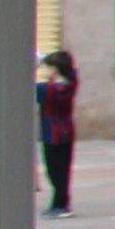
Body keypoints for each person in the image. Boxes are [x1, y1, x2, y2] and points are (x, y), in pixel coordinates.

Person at [35, 44, 82, 218]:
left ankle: (60, 206)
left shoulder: (48, 90)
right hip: (67, 132)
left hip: (51, 134)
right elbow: (73, 69)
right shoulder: (71, 84)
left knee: (54, 171)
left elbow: (28, 89)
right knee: (64, 169)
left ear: (55, 70)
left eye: (48, 68)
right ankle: (61, 203)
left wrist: (35, 65)